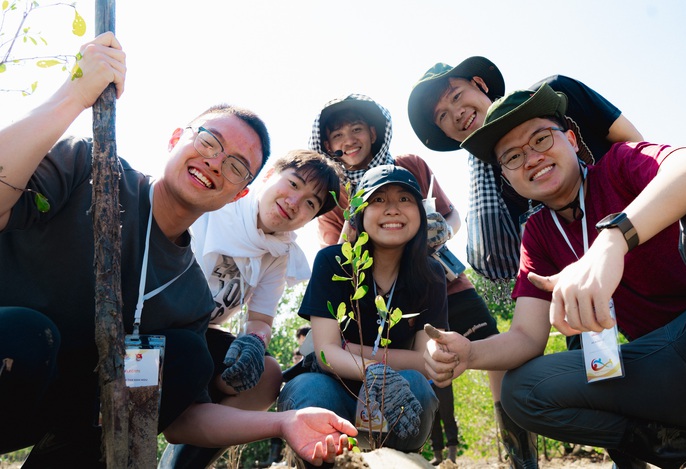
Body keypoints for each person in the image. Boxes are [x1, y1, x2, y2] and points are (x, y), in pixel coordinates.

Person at [0, 32, 355, 468]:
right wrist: (76, 92)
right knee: (27, 333)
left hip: (65, 403)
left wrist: (284, 422)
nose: (214, 163)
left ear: (236, 194)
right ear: (174, 139)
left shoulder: (188, 298)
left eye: (235, 166)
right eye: (208, 142)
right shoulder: (88, 168)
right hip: (12, 357)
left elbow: (179, 416)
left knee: (186, 359)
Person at [424, 83, 686, 468]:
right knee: (523, 390)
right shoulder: (537, 235)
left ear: (571, 139)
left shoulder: (619, 165)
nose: (532, 158)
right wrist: (470, 353)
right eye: (514, 156)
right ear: (506, 177)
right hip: (672, 364)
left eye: (540, 139)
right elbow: (526, 336)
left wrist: (612, 242)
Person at [310, 93, 507, 466]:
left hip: (439, 280)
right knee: (405, 369)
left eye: (356, 130)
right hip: (374, 297)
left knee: (489, 348)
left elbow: (452, 217)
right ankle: (414, 451)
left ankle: (513, 447)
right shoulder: (334, 196)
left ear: (373, 132)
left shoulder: (410, 165)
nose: (348, 140)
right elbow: (337, 260)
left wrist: (433, 235)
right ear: (326, 144)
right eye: (337, 135)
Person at [158, 150, 343, 468]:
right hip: (153, 330)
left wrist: (254, 343)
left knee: (267, 374)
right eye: (294, 184)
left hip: (198, 339)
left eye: (311, 203)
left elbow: (260, 318)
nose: (295, 202)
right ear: (270, 175)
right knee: (193, 355)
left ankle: (184, 460)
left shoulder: (277, 251)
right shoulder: (216, 206)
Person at [407, 56, 642, 288]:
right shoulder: (489, 187)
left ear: (480, 83)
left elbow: (634, 145)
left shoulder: (555, 94)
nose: (456, 113)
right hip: (594, 280)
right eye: (442, 115)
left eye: (456, 96)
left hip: (642, 227)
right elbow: (506, 258)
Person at [278, 165, 448, 468]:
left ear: (421, 215)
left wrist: (354, 352)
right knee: (308, 390)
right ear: (360, 214)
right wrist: (372, 370)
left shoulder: (432, 275)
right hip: (332, 386)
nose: (393, 210)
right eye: (378, 200)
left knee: (417, 387)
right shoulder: (334, 262)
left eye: (405, 199)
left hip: (395, 393)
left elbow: (425, 360)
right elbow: (325, 351)